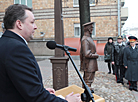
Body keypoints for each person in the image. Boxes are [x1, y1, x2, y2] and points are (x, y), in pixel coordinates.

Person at [0, 4, 81, 102]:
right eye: (32, 22)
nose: (36, 27)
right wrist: (67, 101)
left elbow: (10, 85)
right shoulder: (17, 49)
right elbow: (36, 97)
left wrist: (41, 90)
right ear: (19, 24)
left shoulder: (4, 43)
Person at [81, 22, 99, 90]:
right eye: (91, 28)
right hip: (89, 64)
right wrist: (95, 55)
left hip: (91, 63)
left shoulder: (88, 38)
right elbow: (86, 54)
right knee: (88, 81)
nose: (92, 29)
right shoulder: (85, 39)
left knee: (89, 81)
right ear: (89, 29)